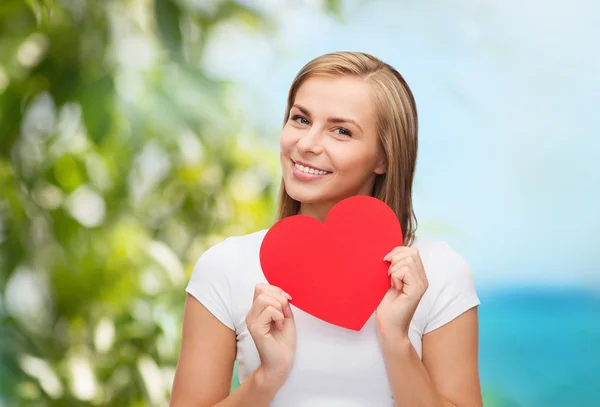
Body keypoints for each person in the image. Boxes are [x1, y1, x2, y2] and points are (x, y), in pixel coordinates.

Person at [169, 51, 482, 407]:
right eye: (301, 119)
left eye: (341, 131)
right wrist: (266, 378)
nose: (306, 144)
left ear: (384, 156)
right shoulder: (224, 267)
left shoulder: (438, 273)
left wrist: (396, 341)